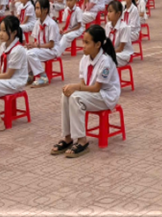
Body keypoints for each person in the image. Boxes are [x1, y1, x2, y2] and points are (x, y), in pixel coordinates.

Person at [50, 25, 121, 158]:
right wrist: (73, 88)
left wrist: (76, 88)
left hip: (106, 96)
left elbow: (96, 88)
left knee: (75, 97)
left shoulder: (106, 62)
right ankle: (68, 137)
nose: (83, 45)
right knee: (66, 95)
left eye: (87, 42)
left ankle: (82, 140)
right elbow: (84, 84)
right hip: (94, 94)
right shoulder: (84, 59)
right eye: (83, 41)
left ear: (98, 44)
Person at [26, 0, 62, 88]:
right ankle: (30, 75)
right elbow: (37, 40)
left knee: (30, 53)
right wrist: (31, 45)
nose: (36, 11)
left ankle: (43, 76)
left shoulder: (52, 24)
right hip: (42, 49)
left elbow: (51, 44)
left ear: (45, 10)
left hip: (52, 50)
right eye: (35, 8)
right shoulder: (37, 23)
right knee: (23, 51)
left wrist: (37, 46)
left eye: (38, 8)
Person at [104, 0, 134, 67]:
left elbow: (120, 48)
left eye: (110, 11)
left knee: (107, 59)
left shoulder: (124, 27)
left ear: (118, 14)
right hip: (112, 52)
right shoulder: (108, 26)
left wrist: (108, 53)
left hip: (122, 54)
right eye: (108, 11)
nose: (108, 14)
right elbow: (106, 42)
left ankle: (109, 76)